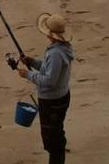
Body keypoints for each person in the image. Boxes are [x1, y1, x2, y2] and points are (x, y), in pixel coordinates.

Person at [17, 13, 74, 164]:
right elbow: (48, 69)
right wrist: (32, 62)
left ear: (51, 34)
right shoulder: (62, 48)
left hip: (52, 102)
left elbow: (49, 80)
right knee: (55, 134)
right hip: (59, 98)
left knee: (52, 139)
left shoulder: (56, 53)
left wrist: (28, 75)